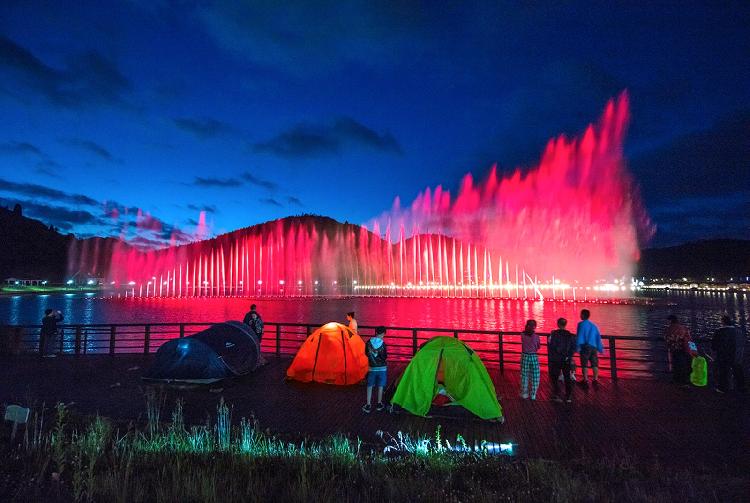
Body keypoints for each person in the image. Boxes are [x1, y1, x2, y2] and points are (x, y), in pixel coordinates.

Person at [711, 316, 746, 393]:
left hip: (724, 355)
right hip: (737, 354)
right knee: (738, 370)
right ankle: (742, 387)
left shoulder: (719, 331)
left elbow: (714, 345)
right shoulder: (738, 331)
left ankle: (722, 388)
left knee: (723, 371)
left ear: (723, 322)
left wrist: (715, 352)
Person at [548, 318, 576, 402]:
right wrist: (569, 356)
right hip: (566, 359)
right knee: (567, 377)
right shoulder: (570, 335)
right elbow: (573, 347)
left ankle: (556, 394)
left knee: (555, 377)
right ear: (565, 324)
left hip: (556, 359)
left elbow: (552, 346)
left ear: (558, 324)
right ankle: (568, 396)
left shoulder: (554, 334)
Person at [363, 326, 388, 413]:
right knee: (380, 386)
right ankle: (379, 403)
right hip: (382, 368)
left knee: (370, 386)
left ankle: (368, 404)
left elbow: (366, 353)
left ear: (376, 332)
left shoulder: (368, 342)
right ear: (383, 334)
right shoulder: (383, 344)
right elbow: (385, 356)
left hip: (372, 368)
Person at [576, 309, 604, 387]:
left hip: (585, 346)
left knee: (584, 364)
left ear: (583, 315)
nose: (580, 316)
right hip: (593, 346)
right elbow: (598, 336)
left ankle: (586, 381)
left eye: (581, 314)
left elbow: (579, 335)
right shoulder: (593, 325)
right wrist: (600, 347)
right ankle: (595, 380)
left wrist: (577, 347)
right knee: (594, 364)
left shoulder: (581, 324)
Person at [665, 315, 692, 386]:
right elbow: (689, 338)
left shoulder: (669, 329)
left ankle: (678, 381)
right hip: (685, 349)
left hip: (675, 349)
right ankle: (685, 381)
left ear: (670, 321)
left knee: (676, 366)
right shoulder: (684, 327)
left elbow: (667, 339)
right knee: (684, 365)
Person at [520, 319, 540, 400]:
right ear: (534, 327)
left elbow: (523, 332)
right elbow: (538, 347)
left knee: (524, 375)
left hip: (525, 356)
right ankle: (533, 394)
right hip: (533, 356)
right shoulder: (536, 337)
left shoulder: (522, 335)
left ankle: (524, 394)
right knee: (535, 376)